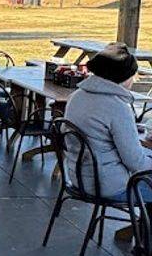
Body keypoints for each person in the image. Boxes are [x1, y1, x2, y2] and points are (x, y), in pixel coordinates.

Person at [63, 43, 152, 200]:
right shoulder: (117, 107)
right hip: (110, 186)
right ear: (123, 77)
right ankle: (143, 225)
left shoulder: (76, 96)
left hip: (80, 178)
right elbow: (135, 162)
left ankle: (142, 224)